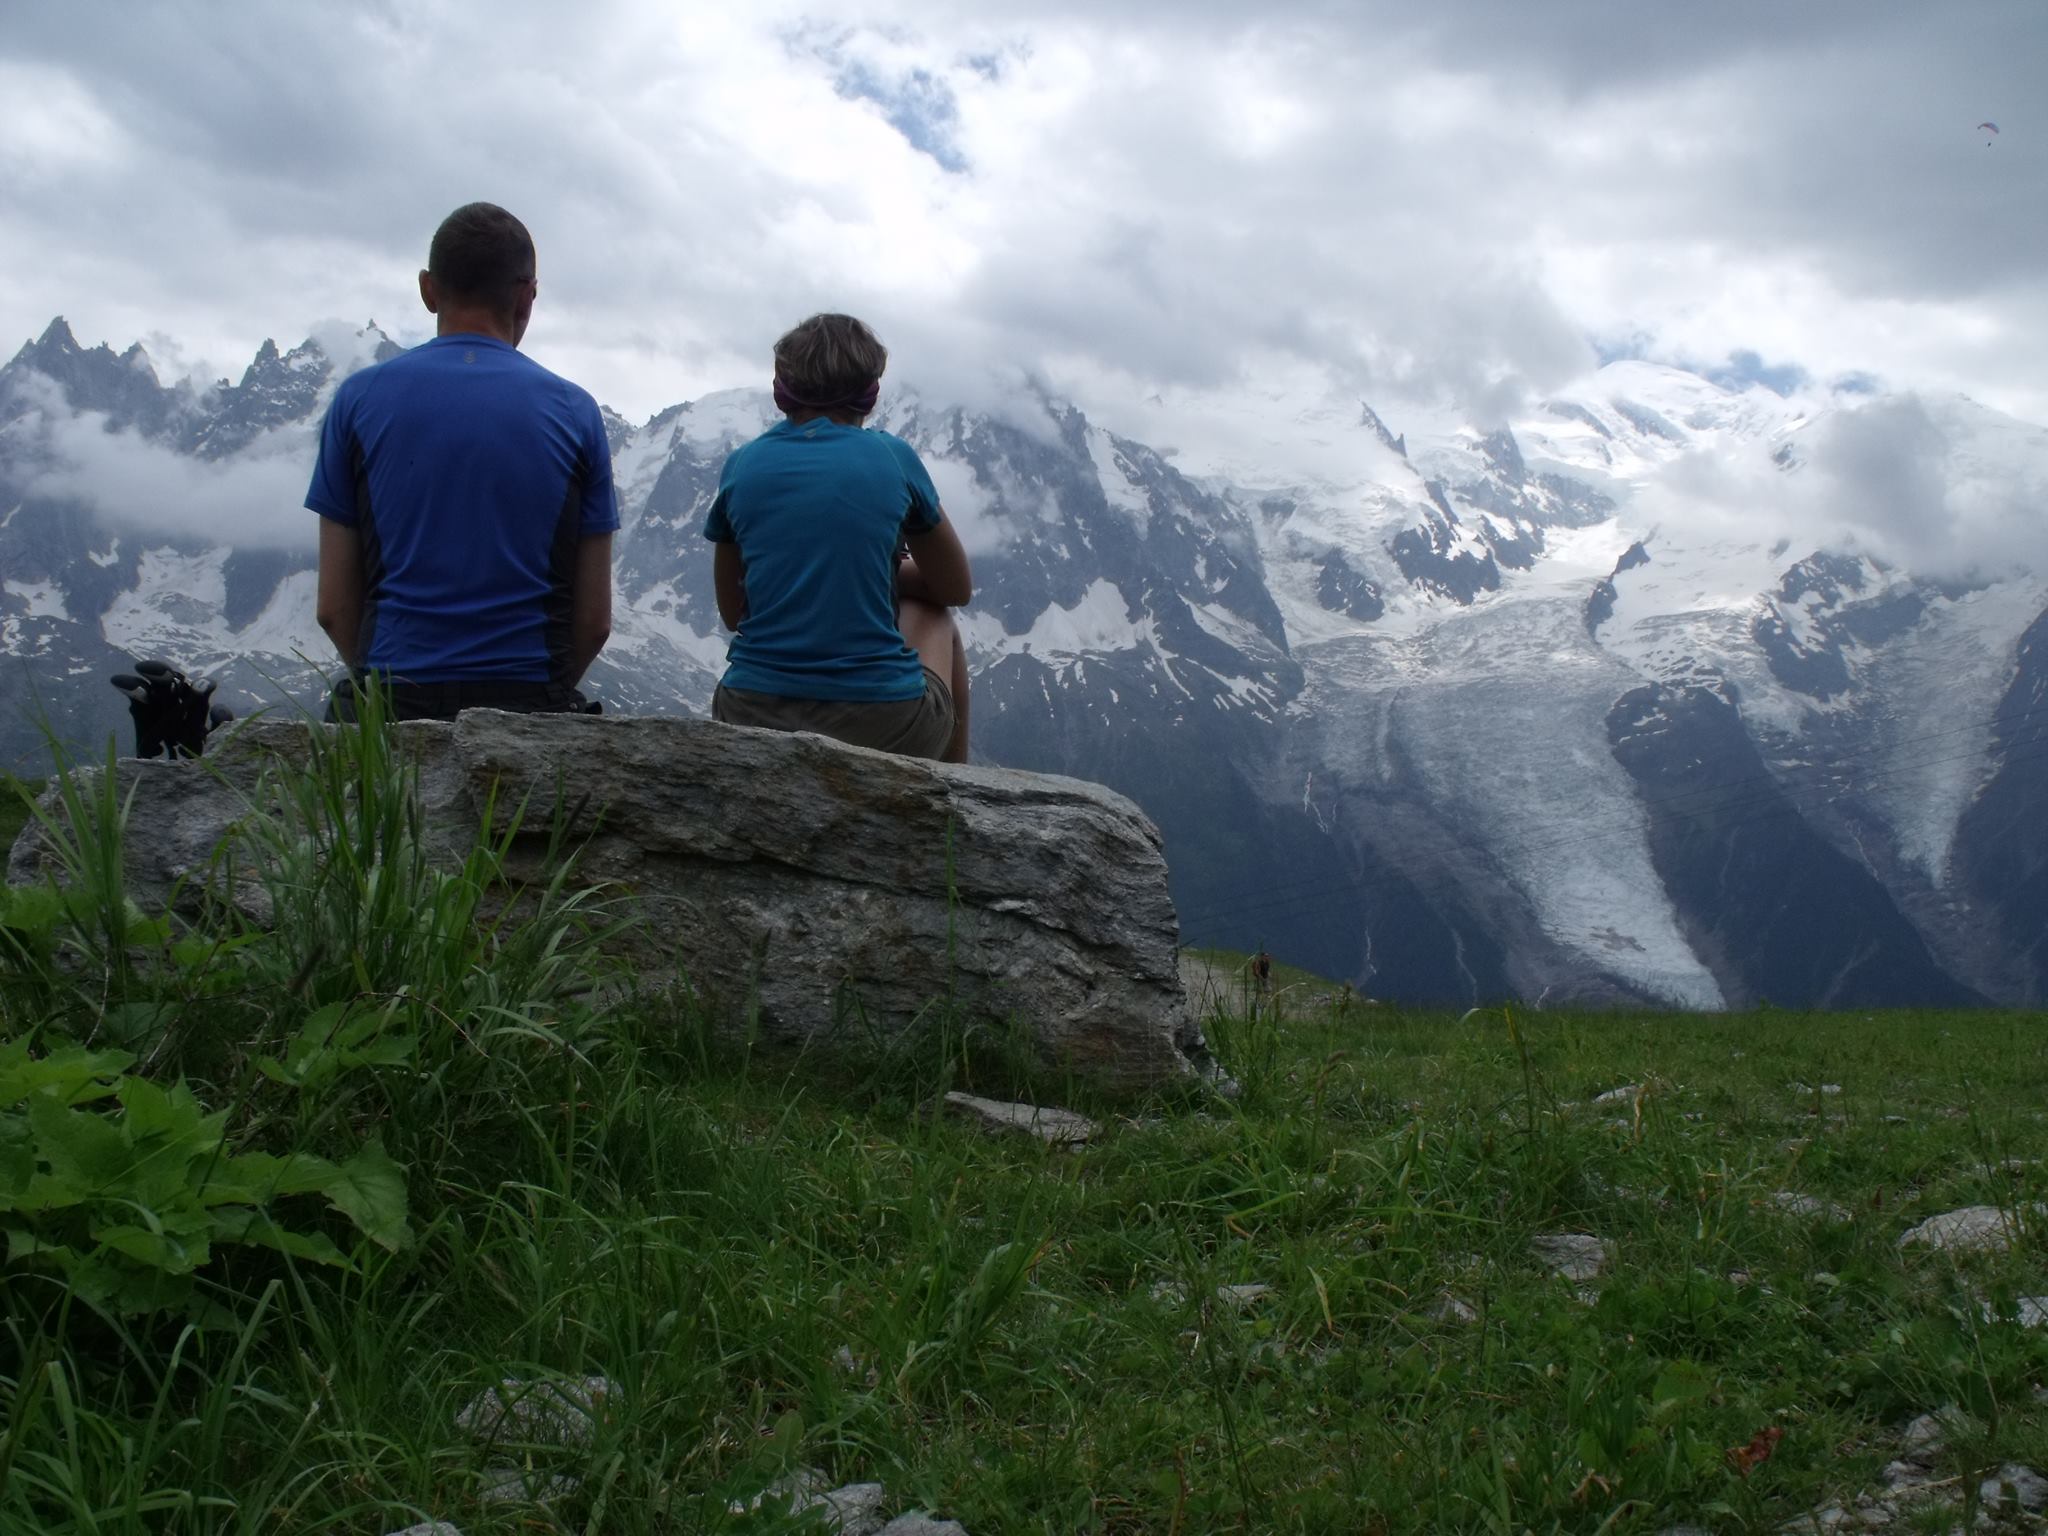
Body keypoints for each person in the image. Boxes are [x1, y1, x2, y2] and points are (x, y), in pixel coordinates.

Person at [306, 202, 616, 721]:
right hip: (529, 704)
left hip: (390, 699)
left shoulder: (357, 401)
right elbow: (594, 624)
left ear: (428, 290)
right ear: (526, 297)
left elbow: (334, 609)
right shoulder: (575, 411)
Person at [703, 313, 972, 762]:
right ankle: (952, 799)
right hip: (885, 723)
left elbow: (734, 612)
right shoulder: (893, 457)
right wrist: (884, 568)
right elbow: (955, 588)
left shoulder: (742, 465)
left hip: (747, 712)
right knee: (936, 615)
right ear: (870, 393)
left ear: (780, 389)